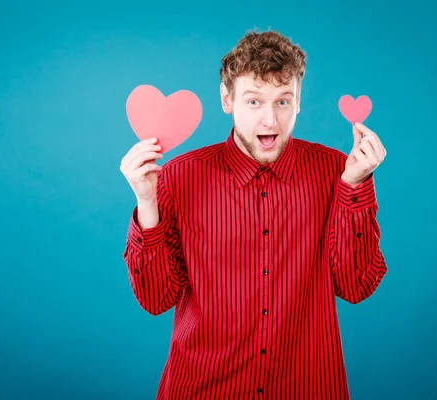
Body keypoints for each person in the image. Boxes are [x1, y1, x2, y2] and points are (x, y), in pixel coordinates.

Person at [120, 29, 387, 400]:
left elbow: (357, 287)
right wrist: (147, 204)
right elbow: (156, 299)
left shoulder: (337, 172)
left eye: (282, 102)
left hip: (307, 386)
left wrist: (355, 187)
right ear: (226, 99)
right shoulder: (179, 176)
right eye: (254, 102)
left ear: (298, 102)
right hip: (202, 389)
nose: (269, 123)